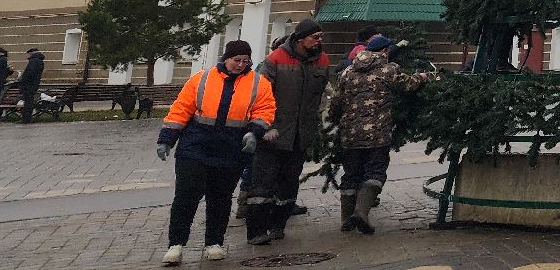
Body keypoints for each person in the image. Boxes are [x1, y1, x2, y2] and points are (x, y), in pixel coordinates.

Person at [156, 40, 276, 266]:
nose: (240, 65)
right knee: (186, 196)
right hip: (195, 145)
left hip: (231, 149)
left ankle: (214, 243)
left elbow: (264, 110)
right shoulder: (202, 79)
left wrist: (254, 132)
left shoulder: (258, 83)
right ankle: (176, 244)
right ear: (225, 58)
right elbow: (181, 108)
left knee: (220, 198)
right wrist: (166, 139)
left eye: (245, 61)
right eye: (236, 60)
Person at [326, 35, 432, 234]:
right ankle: (361, 213)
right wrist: (423, 77)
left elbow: (336, 104)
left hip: (350, 135)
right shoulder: (388, 70)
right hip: (377, 135)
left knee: (350, 175)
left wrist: (335, 121)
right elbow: (408, 85)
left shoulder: (348, 71)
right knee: (375, 173)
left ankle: (346, 220)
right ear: (384, 51)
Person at [245, 19, 331, 244]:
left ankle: (277, 226)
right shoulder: (276, 59)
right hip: (272, 134)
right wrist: (266, 127)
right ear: (301, 38)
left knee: (289, 183)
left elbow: (319, 96)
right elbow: (260, 96)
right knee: (263, 184)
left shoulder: (322, 61)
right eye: (315, 37)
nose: (319, 41)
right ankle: (256, 232)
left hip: (300, 136)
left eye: (321, 36)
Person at [17, 47, 46, 124]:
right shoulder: (40, 61)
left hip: (29, 85)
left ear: (32, 53)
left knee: (27, 102)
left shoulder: (34, 61)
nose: (29, 55)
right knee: (29, 101)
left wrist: (23, 79)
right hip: (34, 84)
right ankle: (28, 118)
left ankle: (26, 119)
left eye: (29, 54)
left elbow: (29, 73)